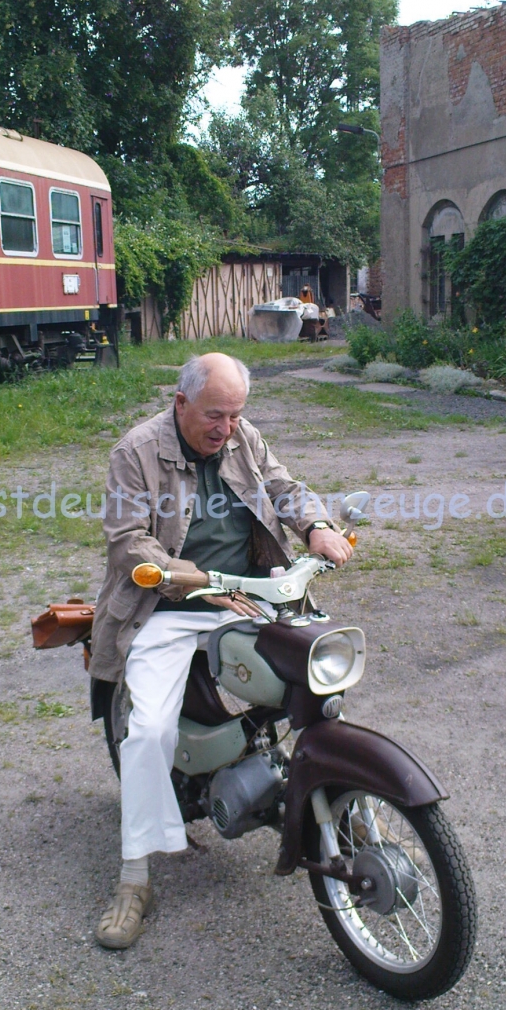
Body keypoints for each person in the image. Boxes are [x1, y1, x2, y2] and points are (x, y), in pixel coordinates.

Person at [88, 352, 352, 948]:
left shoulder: (243, 436)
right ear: (180, 403)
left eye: (235, 415)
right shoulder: (135, 452)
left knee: (315, 678)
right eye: (215, 415)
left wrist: (315, 526)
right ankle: (135, 878)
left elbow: (283, 485)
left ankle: (320, 795)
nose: (226, 428)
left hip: (250, 596)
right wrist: (196, 584)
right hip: (171, 607)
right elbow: (130, 542)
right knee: (150, 728)